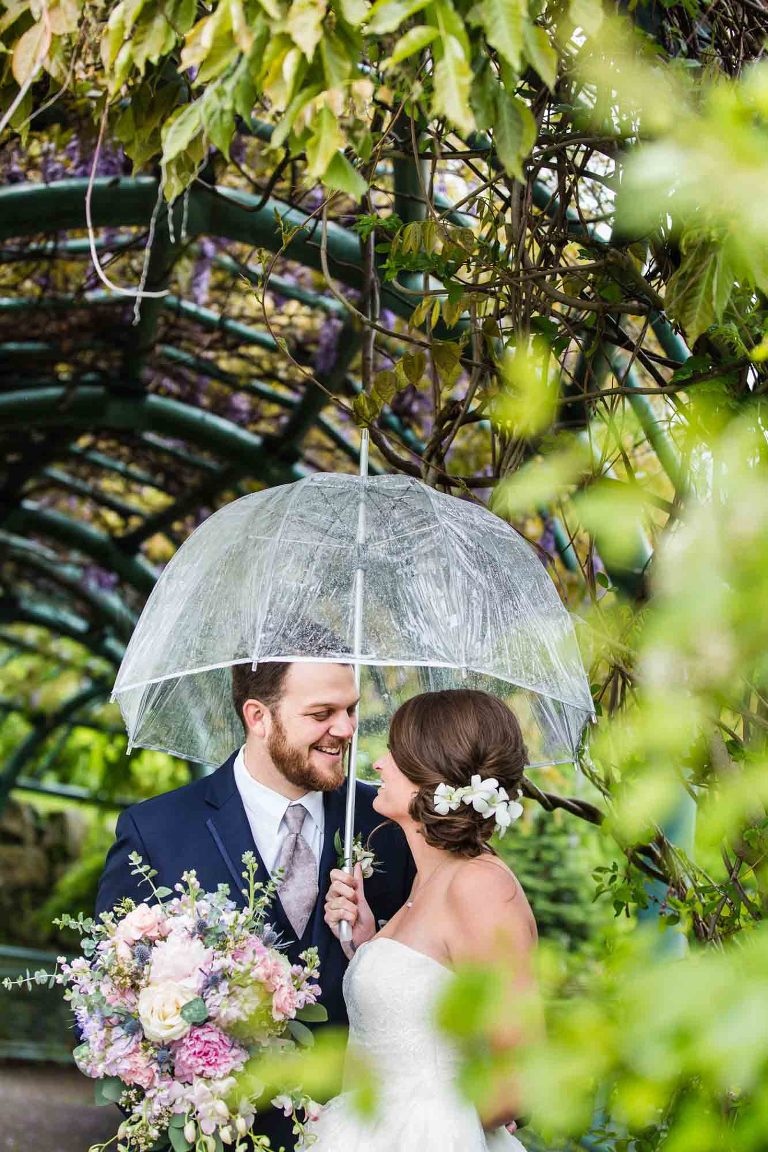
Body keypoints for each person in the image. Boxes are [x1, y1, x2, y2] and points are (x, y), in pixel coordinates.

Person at [95, 657, 414, 1151]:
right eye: (321, 713)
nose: (345, 729)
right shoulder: (156, 832)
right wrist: (175, 1117)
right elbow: (109, 1006)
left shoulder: (388, 828)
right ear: (258, 717)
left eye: (350, 710)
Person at [309, 688, 539, 1152]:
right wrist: (367, 942)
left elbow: (516, 1077)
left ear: (429, 775)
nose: (378, 763)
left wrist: (425, 1130)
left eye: (394, 752)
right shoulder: (427, 882)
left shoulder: (481, 886)